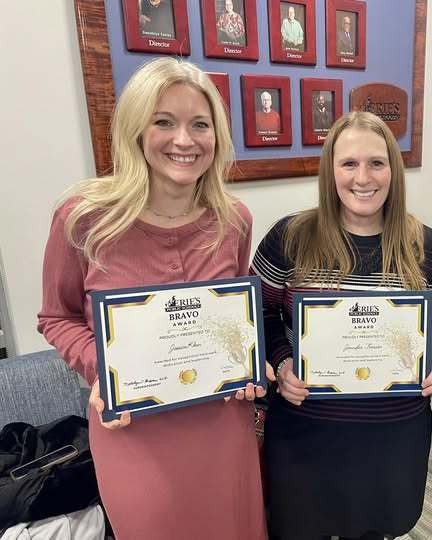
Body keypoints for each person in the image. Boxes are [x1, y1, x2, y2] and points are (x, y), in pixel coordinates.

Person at [37, 57, 267, 539]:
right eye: (164, 121)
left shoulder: (235, 220)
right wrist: (102, 367)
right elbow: (55, 316)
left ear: (217, 136)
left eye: (199, 124)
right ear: (136, 130)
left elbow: (235, 318)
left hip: (223, 431)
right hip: (134, 435)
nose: (184, 140)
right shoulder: (83, 218)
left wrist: (251, 361)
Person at [251, 111, 432, 539]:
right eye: (349, 164)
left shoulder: (424, 243)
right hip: (309, 430)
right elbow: (257, 313)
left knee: (374, 529)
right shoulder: (291, 237)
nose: (363, 177)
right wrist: (283, 361)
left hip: (392, 433)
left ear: (393, 171)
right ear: (331, 172)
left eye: (376, 163)